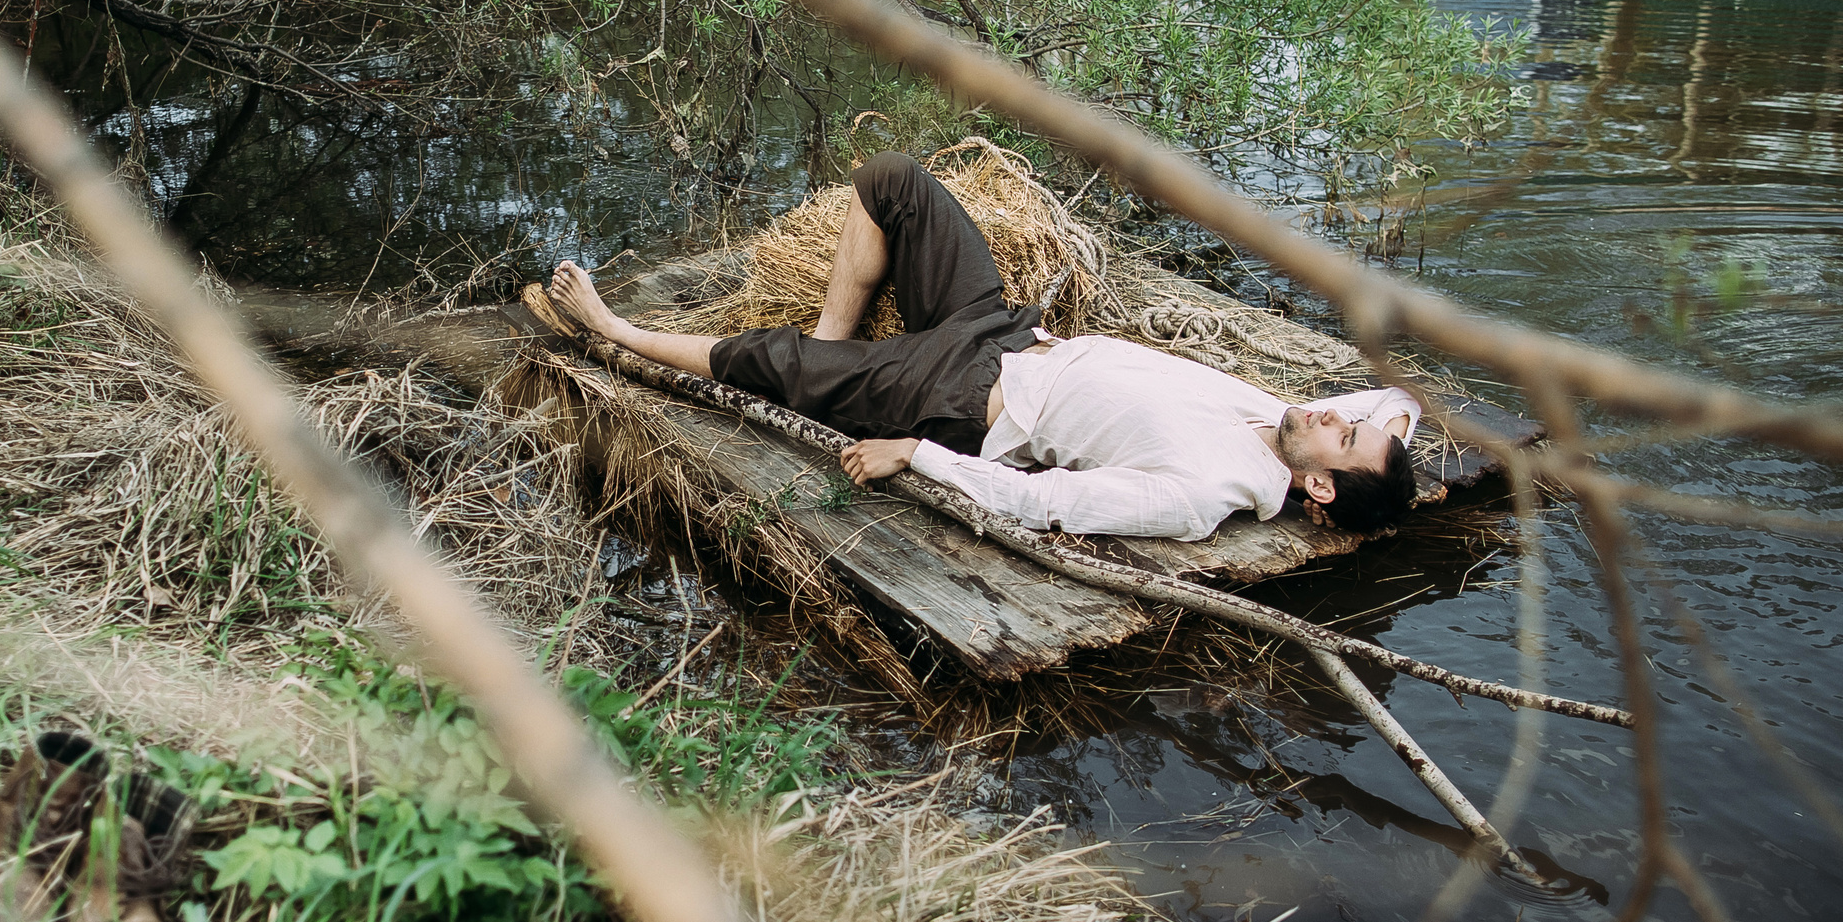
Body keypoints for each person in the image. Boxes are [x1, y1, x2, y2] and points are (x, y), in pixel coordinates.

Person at [545, 152, 1420, 542]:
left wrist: (918, 453)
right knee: (894, 181)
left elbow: (1049, 504)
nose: (1337, 414)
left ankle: (616, 330)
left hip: (967, 399)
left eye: (1343, 436)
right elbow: (1393, 408)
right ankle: (831, 348)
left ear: (1316, 484)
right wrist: (1392, 437)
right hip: (1005, 331)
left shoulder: (1200, 497)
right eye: (1348, 419)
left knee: (780, 367)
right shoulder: (1281, 422)